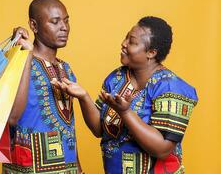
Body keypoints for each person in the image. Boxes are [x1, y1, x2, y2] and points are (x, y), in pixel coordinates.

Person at [52, 16, 198, 173]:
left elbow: (162, 149)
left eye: (132, 42)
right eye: (126, 37)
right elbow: (99, 130)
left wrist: (125, 112)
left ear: (151, 52)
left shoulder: (170, 87)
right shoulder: (116, 78)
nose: (124, 43)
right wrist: (84, 97)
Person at [3, 0, 81, 174]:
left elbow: (69, 126)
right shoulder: (18, 61)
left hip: (68, 168)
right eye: (55, 22)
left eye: (66, 21)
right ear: (34, 25)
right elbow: (13, 117)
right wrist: (26, 55)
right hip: (29, 167)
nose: (64, 27)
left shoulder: (66, 69)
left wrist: (78, 167)